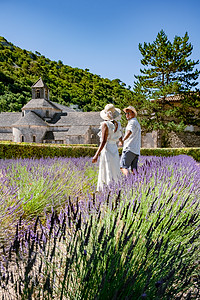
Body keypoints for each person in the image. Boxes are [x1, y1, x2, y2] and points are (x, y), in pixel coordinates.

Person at [92, 104, 122, 191]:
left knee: (107, 168)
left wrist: (96, 155)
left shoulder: (105, 124)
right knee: (114, 168)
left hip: (107, 148)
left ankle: (107, 189)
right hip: (114, 149)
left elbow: (104, 141)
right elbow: (120, 138)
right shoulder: (118, 124)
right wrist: (120, 142)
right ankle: (115, 187)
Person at [119, 106, 141, 176]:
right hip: (136, 150)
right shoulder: (136, 122)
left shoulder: (131, 122)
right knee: (134, 170)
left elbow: (129, 132)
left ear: (133, 113)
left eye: (128, 113)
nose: (126, 115)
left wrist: (122, 140)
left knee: (123, 167)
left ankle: (128, 182)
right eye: (126, 113)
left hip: (129, 148)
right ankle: (138, 183)